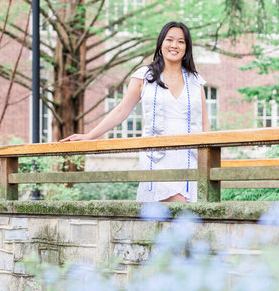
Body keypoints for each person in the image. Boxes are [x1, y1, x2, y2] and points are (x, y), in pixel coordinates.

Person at [61, 21, 210, 202]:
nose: (174, 45)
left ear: (186, 47)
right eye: (169, 40)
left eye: (181, 41)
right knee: (176, 205)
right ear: (161, 43)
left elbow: (204, 123)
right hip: (158, 156)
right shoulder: (145, 76)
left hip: (189, 156)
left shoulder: (195, 81)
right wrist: (90, 135)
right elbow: (121, 110)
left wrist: (207, 156)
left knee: (184, 215)